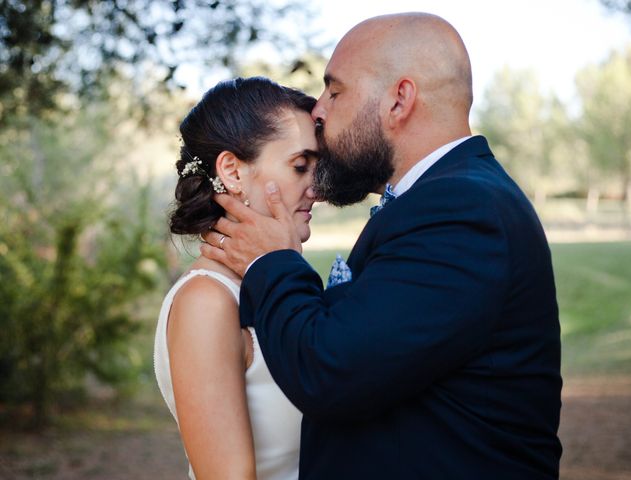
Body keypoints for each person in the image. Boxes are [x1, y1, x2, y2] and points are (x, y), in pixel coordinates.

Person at [202, 12, 563, 480]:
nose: (318, 110)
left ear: (399, 100)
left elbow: (331, 371)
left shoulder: (463, 208)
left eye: (335, 91)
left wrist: (273, 261)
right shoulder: (441, 199)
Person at [153, 76, 318, 479]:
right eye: (300, 166)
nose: (317, 188)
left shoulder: (279, 282)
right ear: (233, 171)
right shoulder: (207, 302)